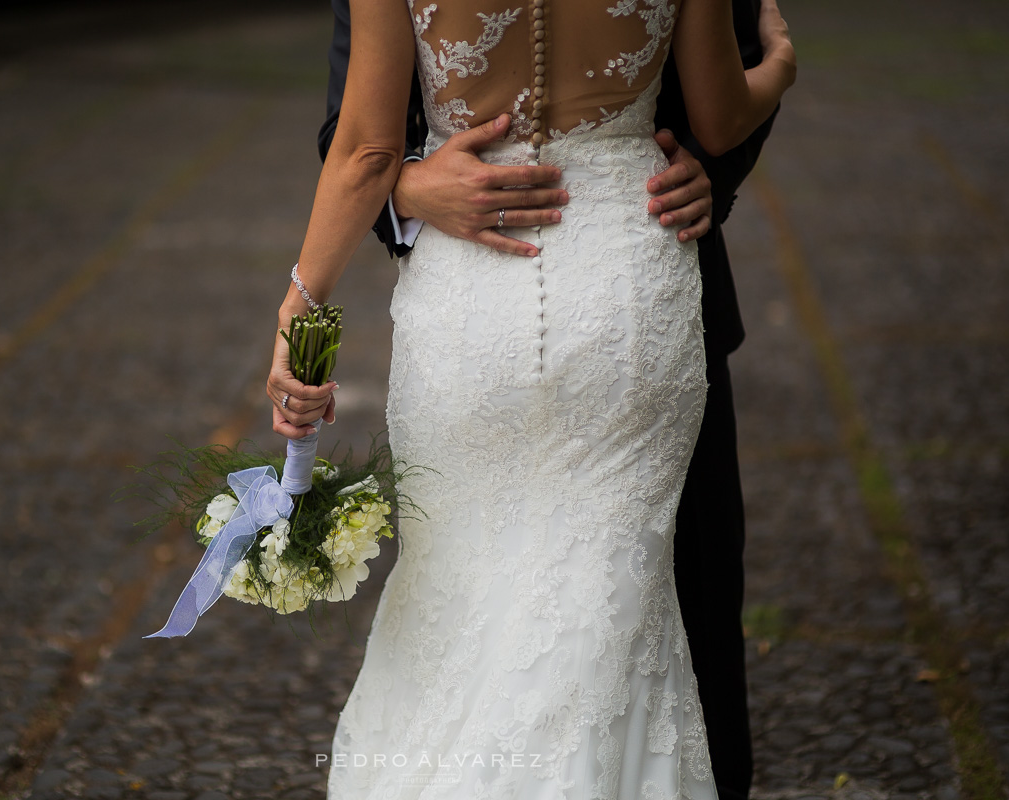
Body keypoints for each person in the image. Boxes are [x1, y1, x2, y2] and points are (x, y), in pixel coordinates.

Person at [268, 0, 795, 796]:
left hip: (472, 306)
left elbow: (367, 145)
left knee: (456, 594)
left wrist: (301, 307)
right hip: (624, 291)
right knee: (611, 603)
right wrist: (782, 67)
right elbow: (719, 118)